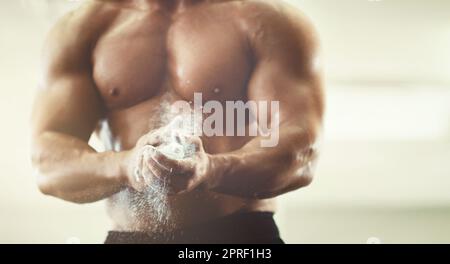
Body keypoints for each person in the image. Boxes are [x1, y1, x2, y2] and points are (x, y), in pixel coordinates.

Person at [31, 0, 324, 244]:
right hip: (130, 237)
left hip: (239, 237)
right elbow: (48, 162)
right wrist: (127, 165)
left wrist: (211, 170)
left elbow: (300, 150)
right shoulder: (83, 29)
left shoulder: (265, 20)